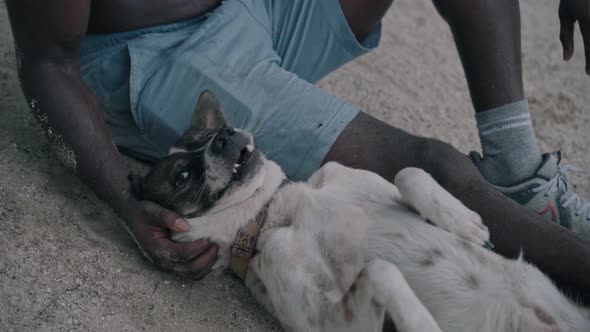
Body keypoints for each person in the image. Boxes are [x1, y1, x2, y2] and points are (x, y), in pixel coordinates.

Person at [5, 0, 590, 297]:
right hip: (158, 53)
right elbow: (49, 63)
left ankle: (518, 175)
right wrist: (126, 204)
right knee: (431, 168)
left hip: (250, 11)